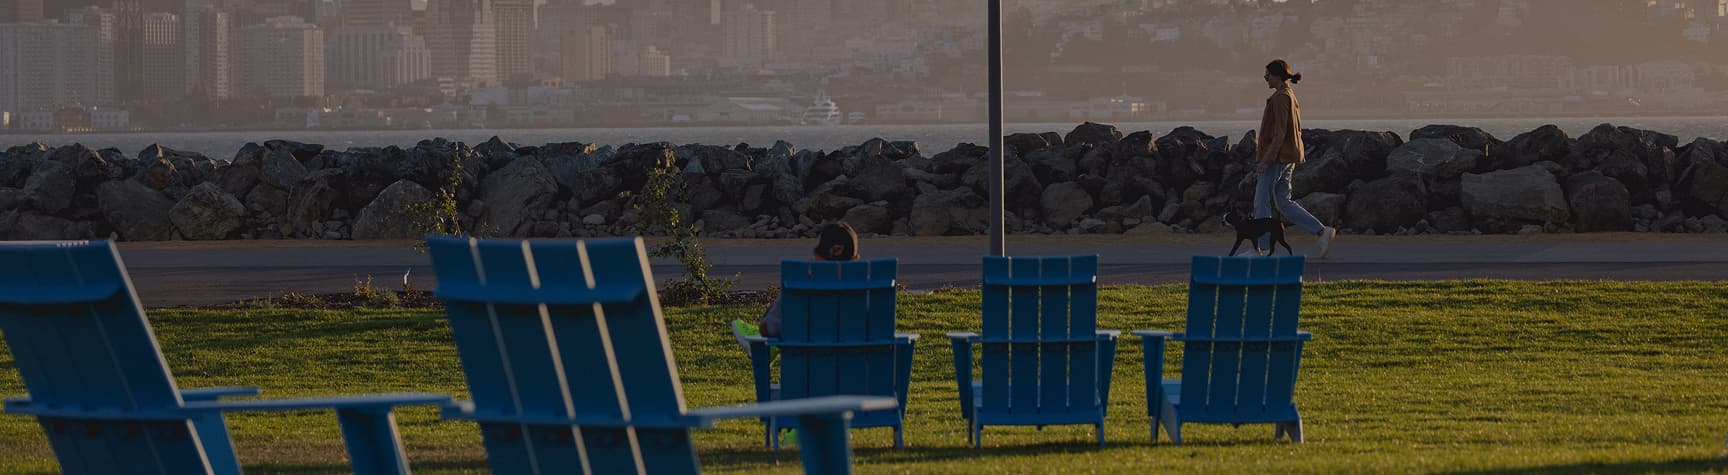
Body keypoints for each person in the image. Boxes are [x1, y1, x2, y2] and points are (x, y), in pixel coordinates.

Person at [731, 222, 861, 352]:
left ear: (817, 257)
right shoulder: (871, 292)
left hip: (809, 370)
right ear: (856, 259)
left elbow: (767, 327)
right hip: (860, 371)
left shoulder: (799, 286)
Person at [1254, 59, 1337, 258]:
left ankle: (1263, 248)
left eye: (1268, 75)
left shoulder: (1281, 97)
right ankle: (1320, 231)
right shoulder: (1288, 94)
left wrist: (1266, 159)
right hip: (1287, 155)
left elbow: (1279, 133)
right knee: (1283, 201)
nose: (1265, 78)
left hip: (1278, 157)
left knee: (1261, 201)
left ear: (1277, 76)